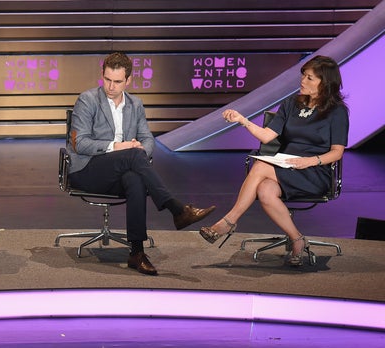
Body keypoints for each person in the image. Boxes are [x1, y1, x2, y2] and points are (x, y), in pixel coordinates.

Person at [67, 52, 216, 276]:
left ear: (128, 81)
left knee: (135, 178)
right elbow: (81, 144)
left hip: (119, 171)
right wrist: (120, 147)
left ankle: (137, 252)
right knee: (133, 156)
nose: (111, 86)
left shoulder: (135, 104)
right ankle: (177, 209)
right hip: (87, 169)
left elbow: (148, 139)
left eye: (117, 81)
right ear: (102, 75)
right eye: (107, 79)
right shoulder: (87, 100)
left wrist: (138, 147)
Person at [199, 55, 349, 267]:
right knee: (265, 190)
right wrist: (242, 120)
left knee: (260, 166)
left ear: (324, 83)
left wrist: (310, 161)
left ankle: (229, 222)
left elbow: (337, 152)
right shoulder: (291, 104)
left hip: (314, 171)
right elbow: (267, 136)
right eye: (303, 76)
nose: (302, 81)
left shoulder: (337, 112)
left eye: (309, 78)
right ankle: (297, 238)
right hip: (286, 166)